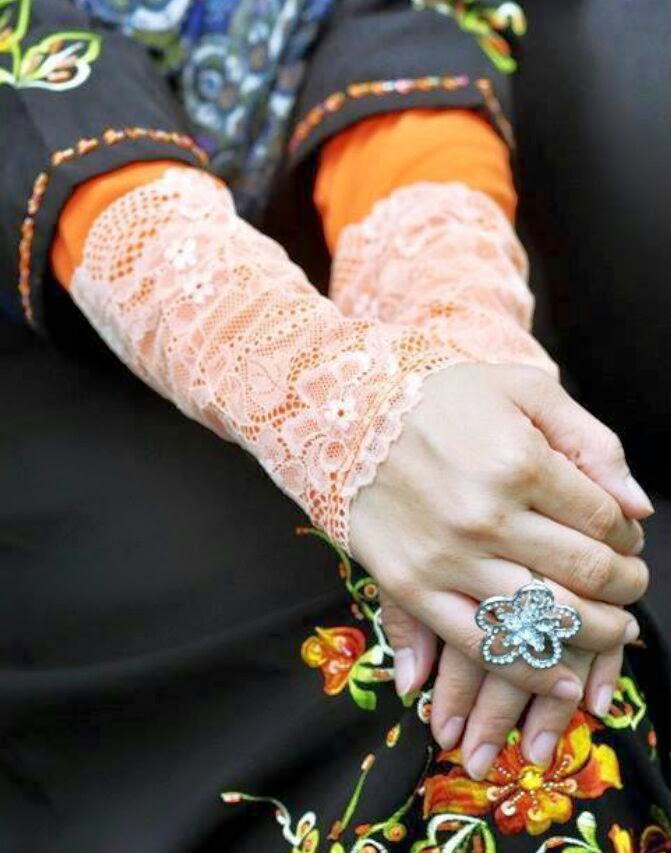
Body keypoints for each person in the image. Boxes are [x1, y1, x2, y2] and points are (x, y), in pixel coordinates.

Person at [0, 1, 668, 851]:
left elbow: (405, 41)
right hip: (45, 338)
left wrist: (460, 357)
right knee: (384, 665)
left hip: (338, 252)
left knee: (542, 649)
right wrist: (334, 406)